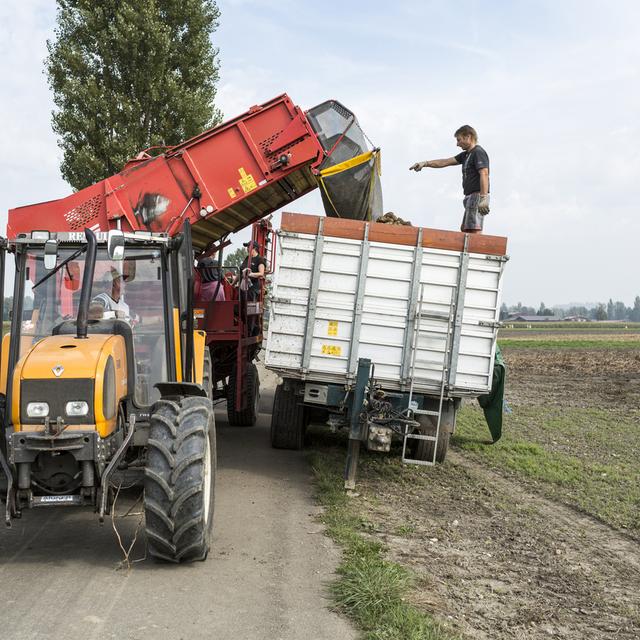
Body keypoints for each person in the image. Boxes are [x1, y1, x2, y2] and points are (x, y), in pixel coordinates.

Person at [410, 125, 490, 234]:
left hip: (477, 196)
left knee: (473, 229)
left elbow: (484, 173)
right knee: (466, 229)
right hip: (470, 197)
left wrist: (483, 197)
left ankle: (475, 250)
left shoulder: (478, 152)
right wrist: (425, 163)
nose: (457, 144)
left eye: (459, 140)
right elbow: (445, 162)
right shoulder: (466, 155)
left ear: (468, 137)